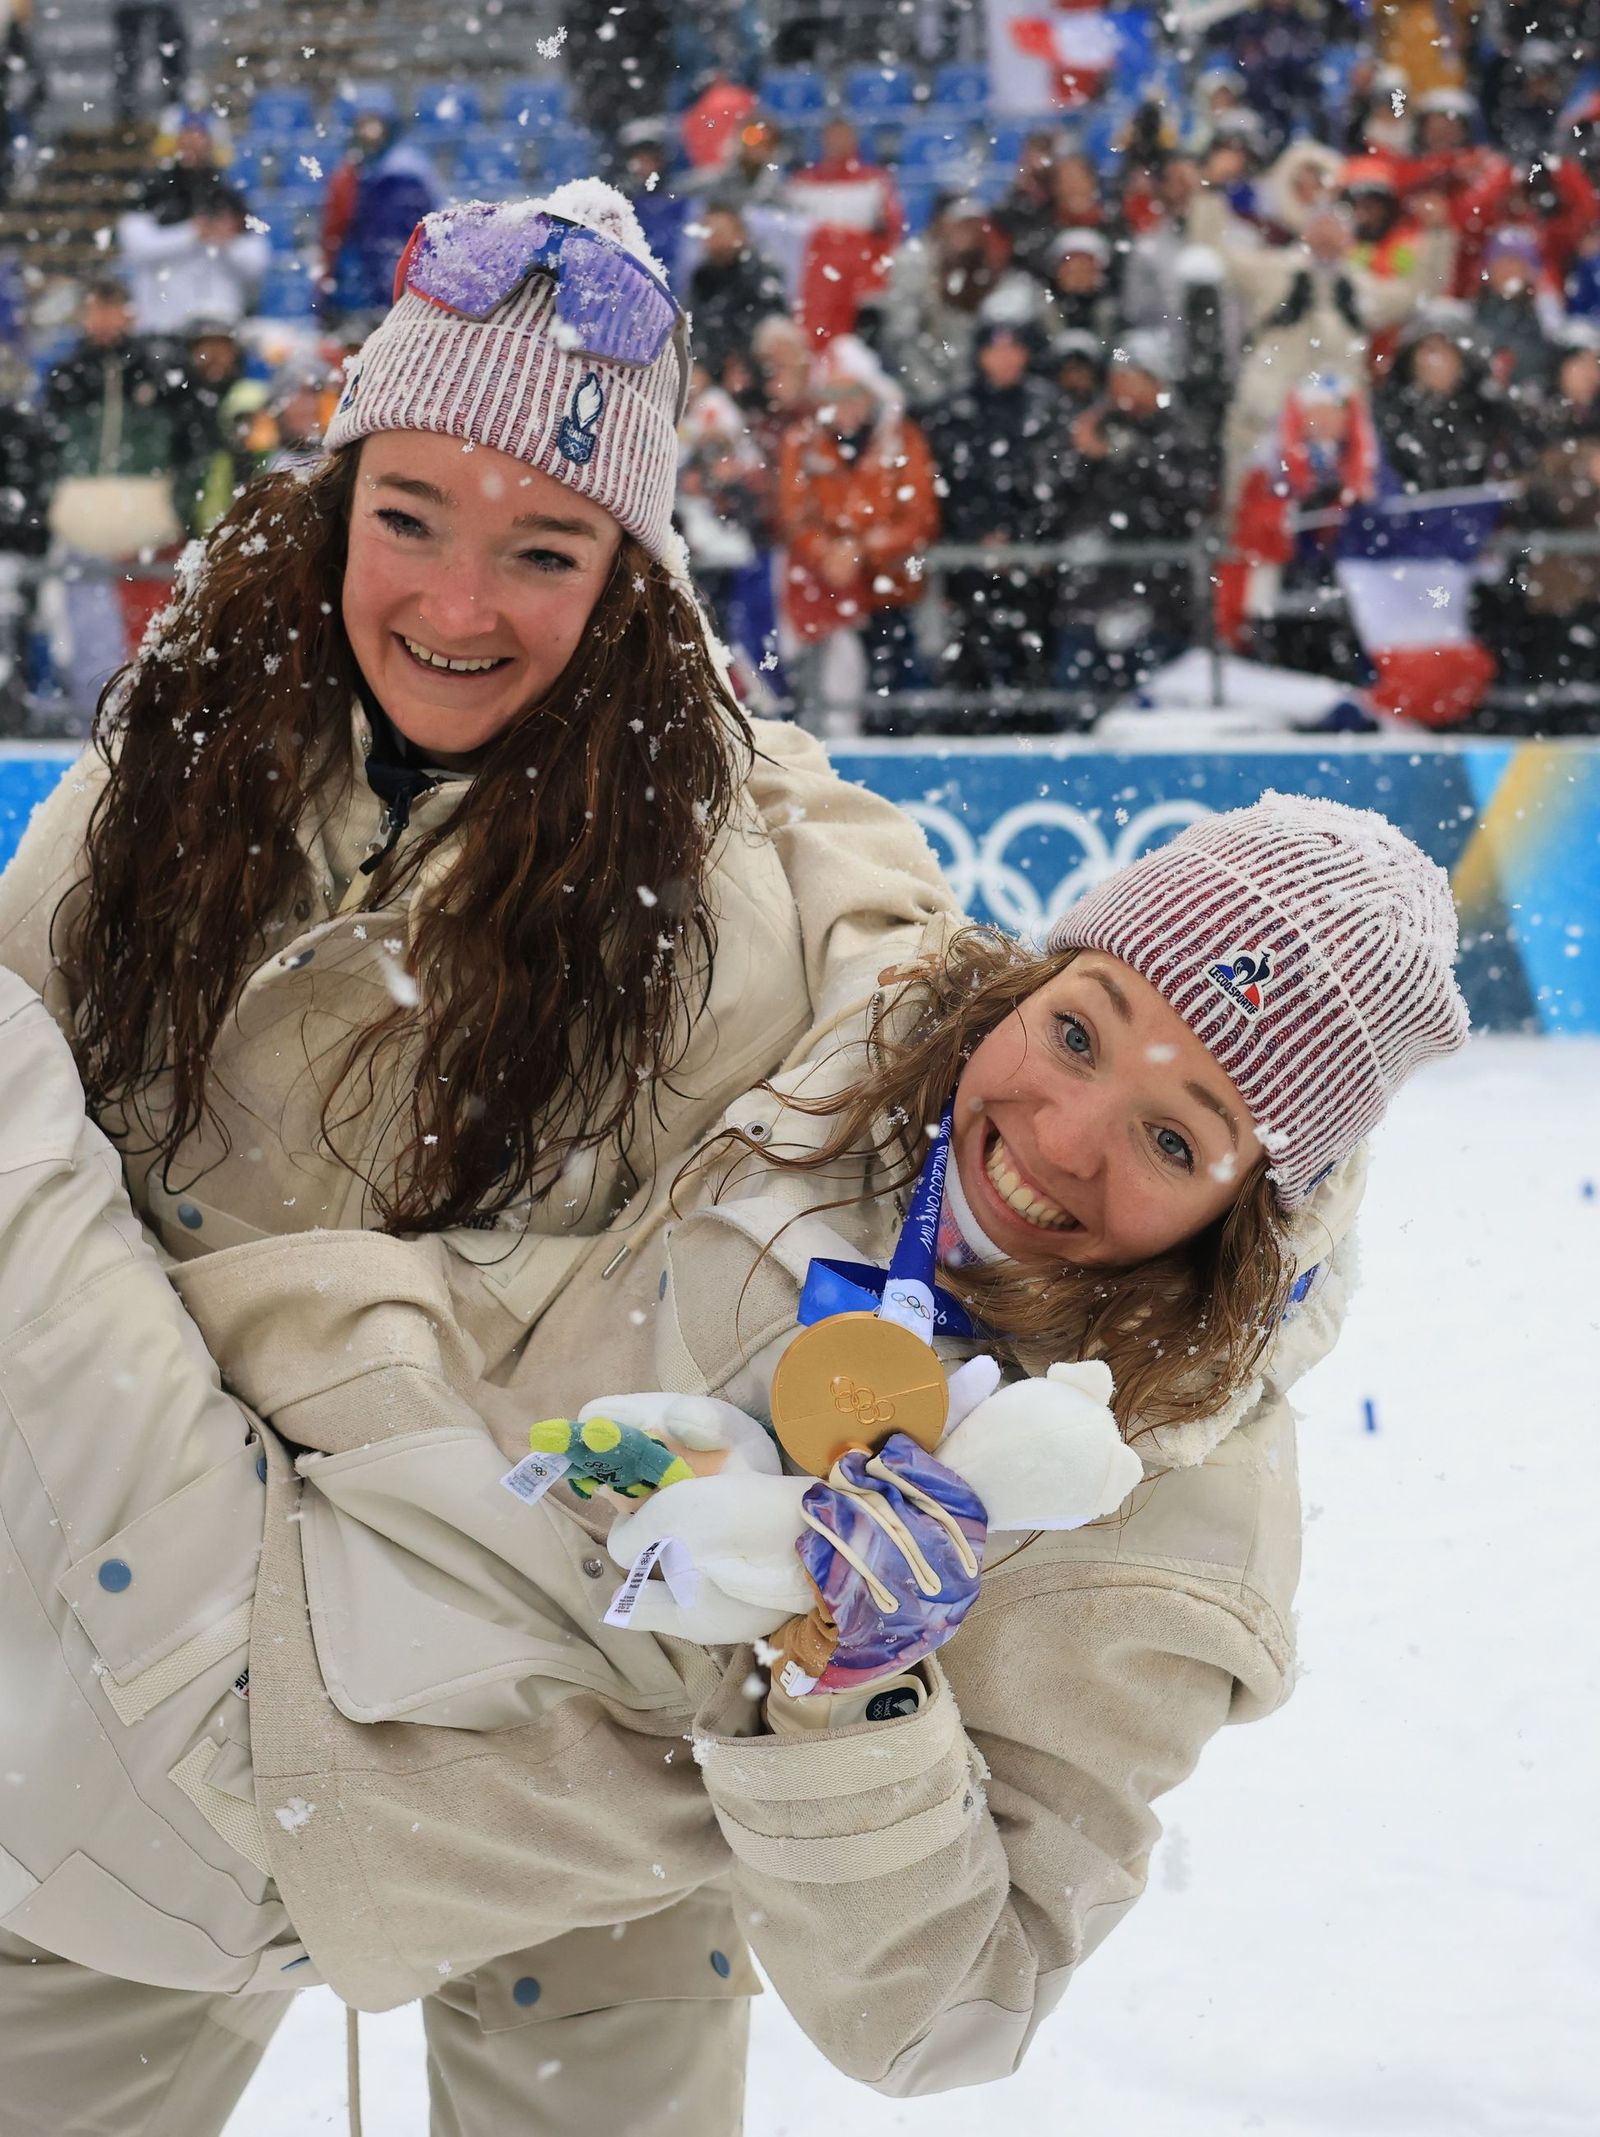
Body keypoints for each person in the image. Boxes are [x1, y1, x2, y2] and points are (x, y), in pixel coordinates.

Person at [0, 782, 1472, 2124]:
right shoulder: (886, 1017)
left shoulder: (1169, 1510)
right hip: (328, 1550)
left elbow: (948, 2009)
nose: (1063, 1132)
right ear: (1034, 969)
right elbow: (730, 741)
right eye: (1078, 1028)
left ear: (1255, 1202)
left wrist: (854, 1696)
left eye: (1175, 1138)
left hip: (419, 1812)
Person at [0, 178, 960, 2130]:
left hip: (562, 1780)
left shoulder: (733, 890)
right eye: (407, 517)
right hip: (141, 1703)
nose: (454, 607)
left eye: (544, 547)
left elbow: (949, 1123)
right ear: (333, 498)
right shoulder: (141, 810)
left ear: (626, 570)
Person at [39, 270, 209, 726]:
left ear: (130, 312)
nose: (105, 320)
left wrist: (176, 507)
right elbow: (45, 447)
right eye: (97, 308)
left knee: (148, 626)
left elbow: (192, 445)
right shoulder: (67, 374)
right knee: (85, 632)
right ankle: (88, 715)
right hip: (82, 517)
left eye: (113, 308)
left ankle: (146, 714)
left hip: (144, 520)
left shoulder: (156, 370)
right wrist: (54, 500)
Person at [774, 332, 938, 730]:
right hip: (828, 593)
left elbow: (920, 517)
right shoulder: (803, 442)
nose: (843, 407)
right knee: (823, 704)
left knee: (894, 704)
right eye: (832, 395)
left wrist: (860, 549)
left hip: (891, 591)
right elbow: (793, 517)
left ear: (870, 396)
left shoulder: (902, 439)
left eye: (852, 395)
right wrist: (827, 552)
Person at [920, 318, 1070, 703]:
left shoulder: (1048, 408)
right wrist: (978, 537)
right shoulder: (955, 411)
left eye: (1013, 349)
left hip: (1032, 566)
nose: (1004, 359)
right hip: (970, 566)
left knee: (1033, 663)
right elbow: (945, 486)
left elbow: (1058, 484)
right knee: (970, 661)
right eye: (995, 350)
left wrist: (1021, 539)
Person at [319, 104, 443, 325]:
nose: (369, 132)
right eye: (363, 125)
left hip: (394, 264)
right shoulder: (354, 169)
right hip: (365, 268)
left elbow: (406, 227)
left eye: (374, 124)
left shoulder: (404, 168)